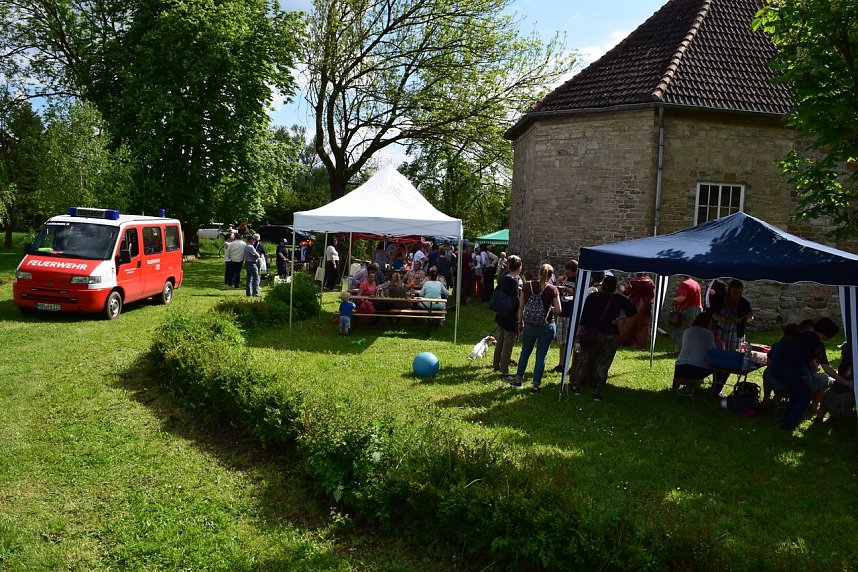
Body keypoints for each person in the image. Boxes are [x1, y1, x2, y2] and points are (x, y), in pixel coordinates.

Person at [766, 317, 848, 430]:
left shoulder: (802, 335)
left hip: (775, 366)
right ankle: (788, 424)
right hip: (788, 370)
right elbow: (827, 369)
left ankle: (787, 420)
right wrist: (845, 382)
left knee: (799, 392)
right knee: (804, 395)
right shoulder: (817, 345)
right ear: (827, 335)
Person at [571, 274, 637, 401]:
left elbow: (584, 317)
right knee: (604, 363)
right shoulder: (618, 299)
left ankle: (576, 386)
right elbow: (633, 310)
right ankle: (597, 392)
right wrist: (619, 319)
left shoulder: (593, 297)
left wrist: (579, 332)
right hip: (611, 335)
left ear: (603, 285)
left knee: (584, 360)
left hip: (592, 333)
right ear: (614, 287)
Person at [511, 263, 562, 394]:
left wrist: (519, 322)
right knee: (541, 355)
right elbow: (558, 310)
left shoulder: (527, 286)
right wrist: (548, 308)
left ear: (538, 272)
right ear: (551, 276)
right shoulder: (553, 289)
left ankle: (518, 380)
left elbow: (521, 307)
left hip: (529, 324)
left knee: (525, 352)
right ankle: (535, 386)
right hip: (547, 325)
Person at [711, 280, 753, 395]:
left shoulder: (744, 303)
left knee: (730, 361)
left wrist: (748, 318)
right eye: (734, 291)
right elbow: (713, 314)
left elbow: (750, 318)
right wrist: (724, 319)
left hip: (736, 335)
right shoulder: (721, 300)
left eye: (739, 292)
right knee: (718, 360)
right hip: (720, 333)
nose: (736, 294)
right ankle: (716, 384)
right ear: (729, 290)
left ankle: (719, 386)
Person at [493, 255, 522, 381]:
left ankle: (496, 364)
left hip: (501, 313)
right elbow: (516, 301)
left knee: (501, 340)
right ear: (519, 267)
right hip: (510, 316)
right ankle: (504, 371)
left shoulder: (505, 278)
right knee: (507, 345)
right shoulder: (514, 281)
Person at [672, 312, 716, 391]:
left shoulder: (686, 331)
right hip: (697, 368)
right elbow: (713, 351)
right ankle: (715, 390)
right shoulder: (708, 333)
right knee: (719, 370)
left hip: (680, 367)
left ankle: (675, 388)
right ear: (708, 322)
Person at [815, 341, 855, 425]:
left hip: (844, 387)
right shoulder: (847, 361)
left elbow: (848, 375)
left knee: (828, 396)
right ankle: (820, 417)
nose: (841, 353)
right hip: (842, 385)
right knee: (826, 395)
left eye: (842, 350)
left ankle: (828, 418)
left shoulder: (850, 363)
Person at [552, 260, 578, 373]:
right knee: (562, 340)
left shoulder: (579, 280)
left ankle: (571, 365)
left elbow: (580, 294)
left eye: (568, 272)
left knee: (570, 341)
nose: (566, 273)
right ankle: (561, 364)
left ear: (574, 271)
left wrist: (571, 291)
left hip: (571, 314)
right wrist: (558, 284)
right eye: (565, 271)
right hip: (562, 312)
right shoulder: (564, 279)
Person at [619, 272, 655, 349]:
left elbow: (627, 292)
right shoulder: (649, 281)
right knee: (643, 324)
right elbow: (651, 295)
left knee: (630, 322)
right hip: (645, 304)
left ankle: (627, 341)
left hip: (634, 303)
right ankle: (641, 344)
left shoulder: (633, 281)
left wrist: (622, 289)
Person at [672, 275, 702, 355]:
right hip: (696, 310)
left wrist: (674, 299)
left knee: (680, 330)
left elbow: (682, 297)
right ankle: (690, 350)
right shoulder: (695, 283)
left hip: (687, 310)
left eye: (679, 277)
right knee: (692, 331)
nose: (679, 279)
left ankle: (678, 352)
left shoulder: (684, 284)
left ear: (682, 276)